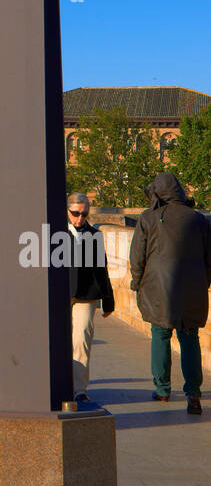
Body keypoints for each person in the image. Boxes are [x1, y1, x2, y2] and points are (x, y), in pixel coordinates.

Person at [130, 171, 211, 415]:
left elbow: (138, 256)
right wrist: (204, 282)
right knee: (190, 338)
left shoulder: (148, 218)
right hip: (193, 289)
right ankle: (193, 393)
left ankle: (163, 389)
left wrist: (136, 282)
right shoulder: (198, 219)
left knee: (160, 334)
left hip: (159, 288)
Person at [66, 193, 115, 403]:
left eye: (84, 214)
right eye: (75, 213)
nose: (79, 218)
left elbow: (101, 269)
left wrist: (108, 299)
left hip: (86, 295)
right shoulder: (52, 233)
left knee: (81, 339)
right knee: (58, 341)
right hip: (61, 295)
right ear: (67, 211)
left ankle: (79, 389)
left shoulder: (94, 235)